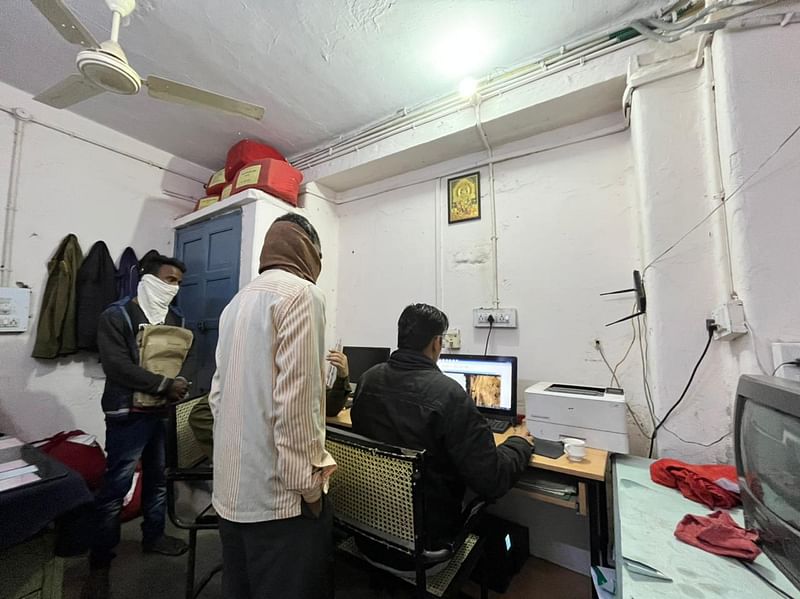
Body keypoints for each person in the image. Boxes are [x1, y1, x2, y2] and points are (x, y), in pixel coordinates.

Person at [350, 303, 533, 572]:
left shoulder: (367, 380)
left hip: (368, 537)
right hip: (426, 553)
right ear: (437, 343)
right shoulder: (449, 395)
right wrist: (519, 443)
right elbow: (492, 480)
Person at [210, 213, 335, 599]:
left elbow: (217, 395)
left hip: (231, 491)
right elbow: (297, 404)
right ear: (309, 250)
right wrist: (309, 489)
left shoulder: (236, 302)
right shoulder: (302, 295)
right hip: (278, 498)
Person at [83, 254, 193, 599]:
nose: (172, 288)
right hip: (126, 414)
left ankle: (154, 536)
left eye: (178, 283)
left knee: (158, 481)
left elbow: (177, 360)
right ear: (146, 278)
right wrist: (164, 385)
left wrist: (177, 383)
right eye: (168, 279)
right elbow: (117, 367)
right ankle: (99, 564)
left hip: (159, 413)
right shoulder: (116, 316)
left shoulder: (174, 318)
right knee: (116, 488)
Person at [187, 349, 350, 460]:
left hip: (291, 464)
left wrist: (342, 376)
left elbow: (330, 408)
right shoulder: (248, 376)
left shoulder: (302, 373)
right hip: (256, 468)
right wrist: (247, 450)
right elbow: (200, 416)